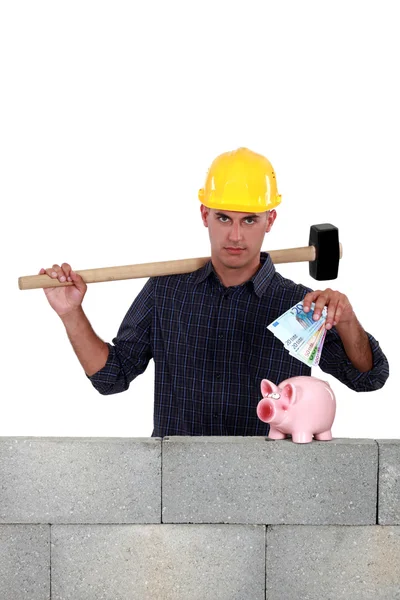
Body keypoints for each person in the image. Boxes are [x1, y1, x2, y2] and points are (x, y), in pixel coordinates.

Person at [40, 147, 389, 437]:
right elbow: (110, 377)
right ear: (204, 214)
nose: (235, 236)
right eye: (224, 218)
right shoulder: (166, 291)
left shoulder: (298, 307)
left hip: (271, 491)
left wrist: (347, 320)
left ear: (271, 220)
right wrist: (71, 313)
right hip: (176, 491)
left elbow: (369, 378)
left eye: (249, 220)